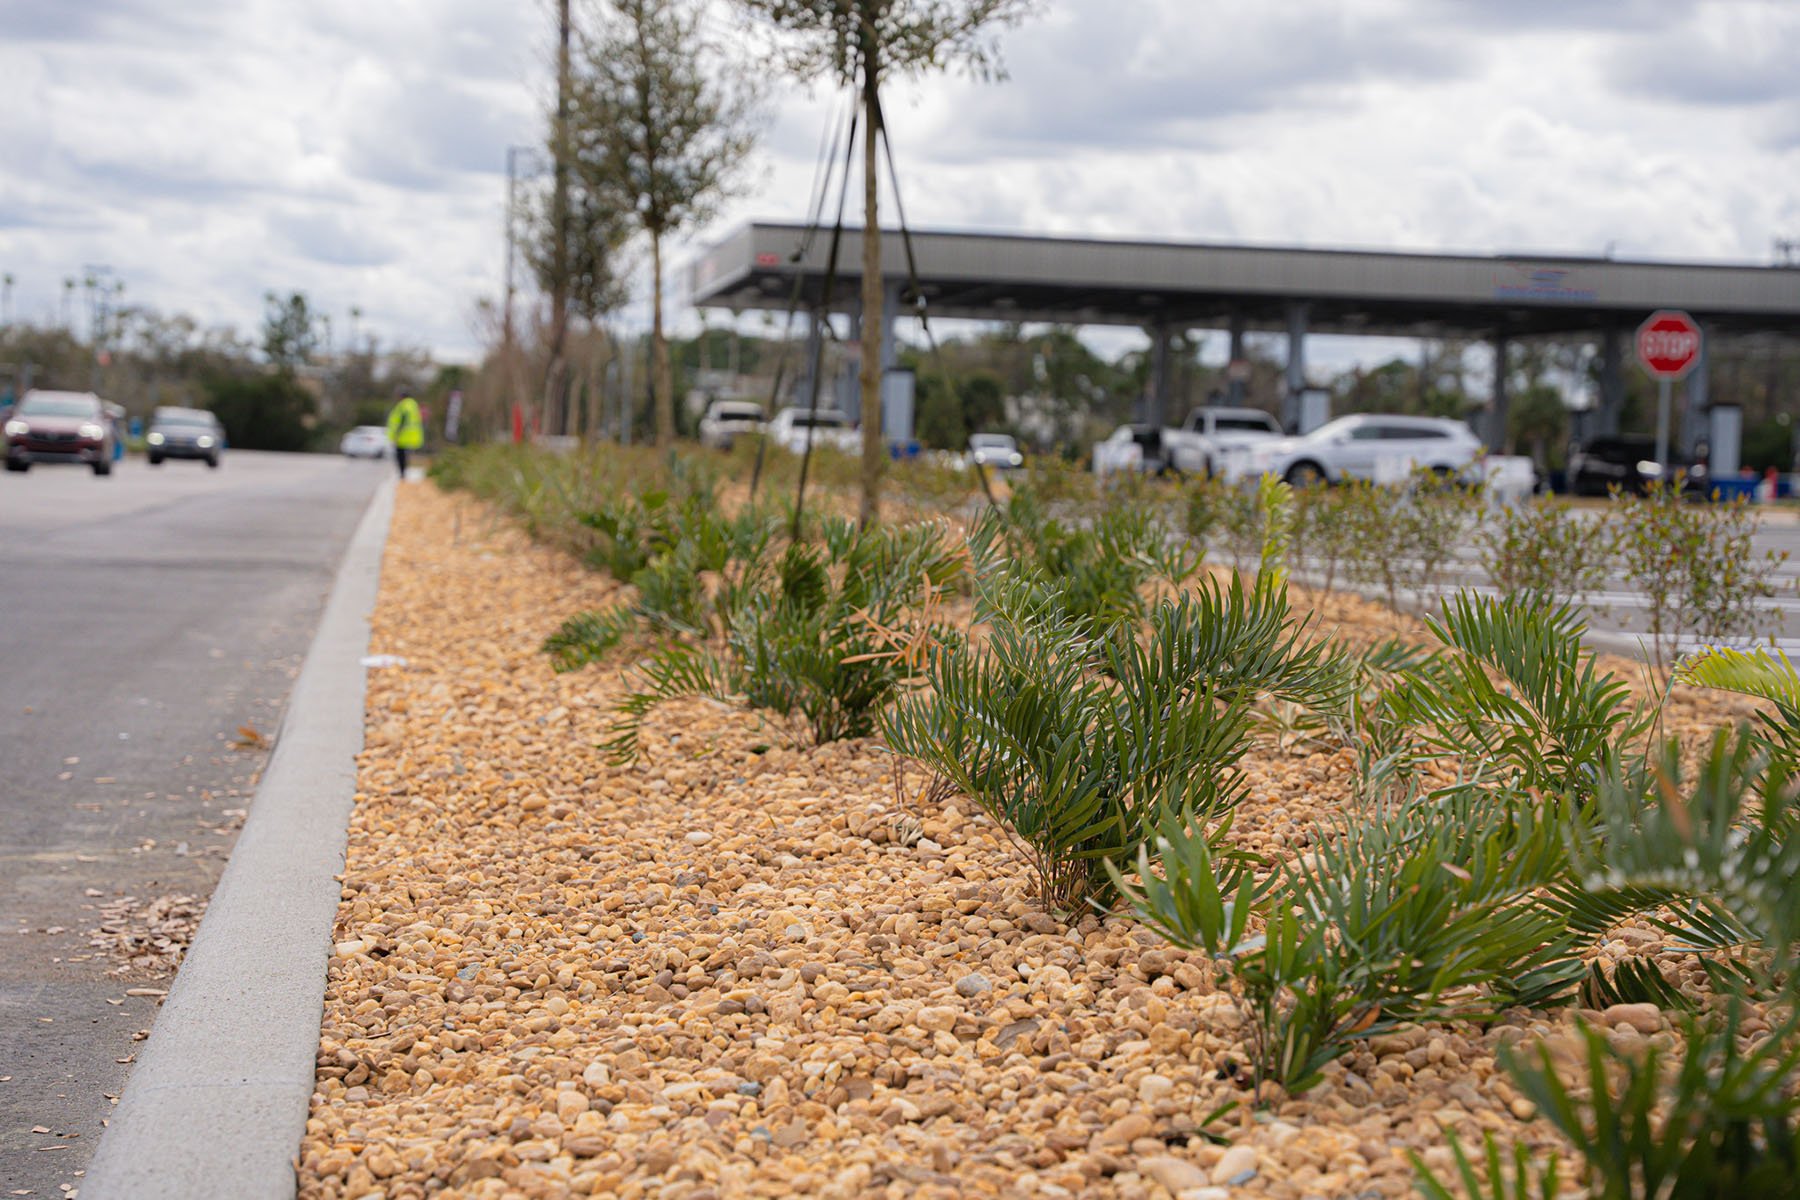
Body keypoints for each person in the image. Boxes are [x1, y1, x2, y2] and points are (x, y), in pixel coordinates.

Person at [385, 388, 424, 478]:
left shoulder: (403, 406)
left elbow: (402, 421)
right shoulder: (414, 405)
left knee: (400, 456)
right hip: (411, 436)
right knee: (406, 456)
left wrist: (396, 434)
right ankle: (404, 472)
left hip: (402, 436)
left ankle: (402, 473)